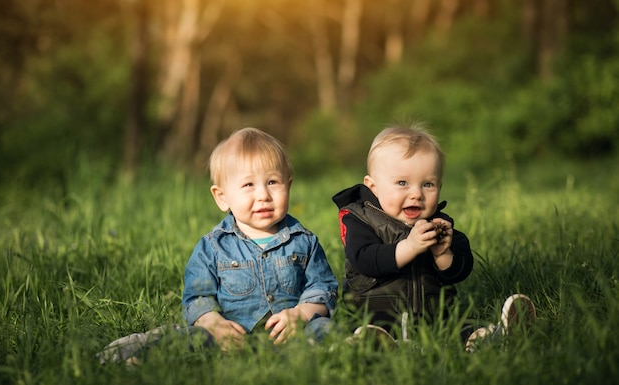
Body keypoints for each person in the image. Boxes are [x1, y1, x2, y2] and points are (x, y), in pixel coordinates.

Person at [97, 127, 338, 363]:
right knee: (193, 339)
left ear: (289, 185)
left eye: (273, 182)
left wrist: (300, 314)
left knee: (323, 328)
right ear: (222, 197)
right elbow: (198, 297)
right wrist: (214, 324)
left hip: (290, 338)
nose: (263, 194)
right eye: (248, 185)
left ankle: (354, 346)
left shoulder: (304, 241)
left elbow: (322, 287)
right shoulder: (213, 247)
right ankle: (141, 356)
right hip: (228, 340)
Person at [332, 124, 535, 349]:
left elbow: (461, 269)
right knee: (372, 331)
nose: (416, 194)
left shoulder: (439, 224)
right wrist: (410, 246)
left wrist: (443, 254)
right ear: (374, 186)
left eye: (427, 184)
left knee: (459, 326)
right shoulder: (361, 220)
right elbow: (366, 260)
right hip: (375, 314)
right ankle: (379, 345)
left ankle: (493, 337)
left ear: (439, 186)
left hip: (435, 317)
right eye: (402, 183)